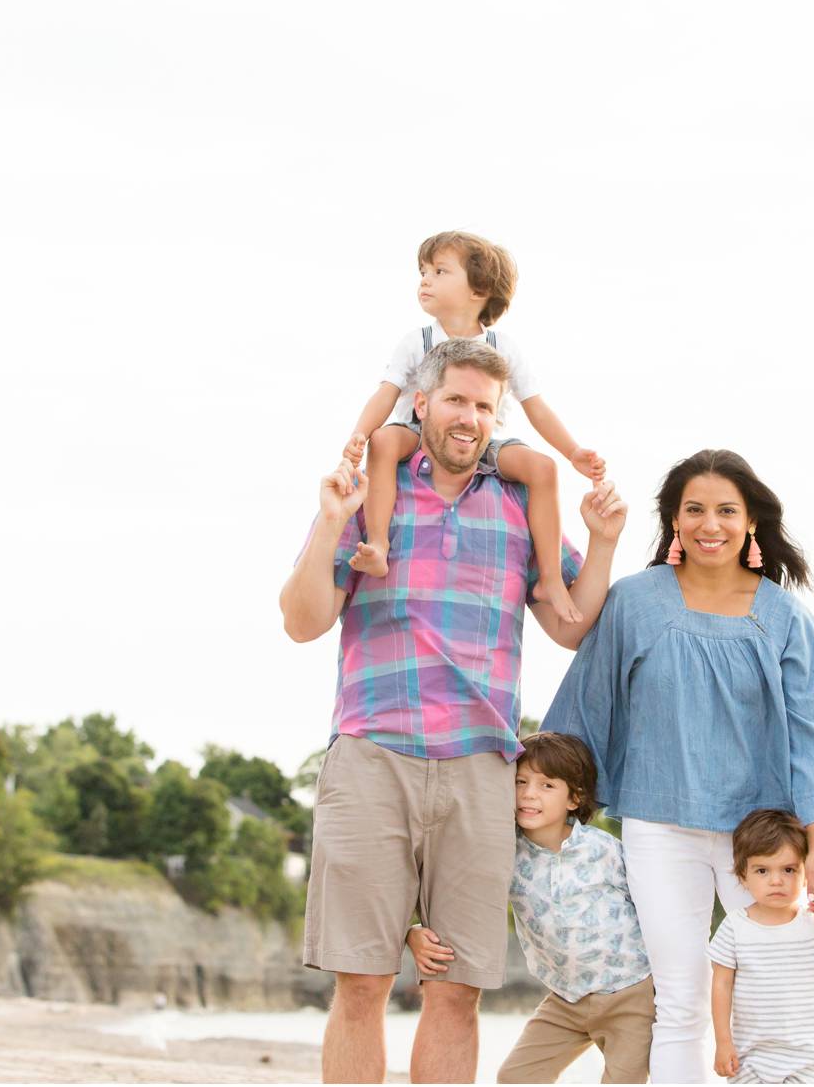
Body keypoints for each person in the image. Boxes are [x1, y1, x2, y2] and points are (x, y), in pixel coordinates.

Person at [280, 336, 628, 1085]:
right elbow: (303, 620)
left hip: (480, 769)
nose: (469, 417)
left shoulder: (518, 506)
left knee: (456, 988)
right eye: (456, 400)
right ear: (421, 403)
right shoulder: (371, 493)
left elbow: (571, 625)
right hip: (373, 755)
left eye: (484, 405)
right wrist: (325, 528)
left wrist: (601, 546)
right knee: (361, 979)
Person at [542, 449, 814, 1083]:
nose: (708, 523)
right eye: (694, 509)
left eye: (725, 510)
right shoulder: (635, 604)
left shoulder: (784, 617)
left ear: (750, 525)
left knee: (775, 992)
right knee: (681, 1000)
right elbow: (587, 704)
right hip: (660, 827)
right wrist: (542, 803)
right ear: (672, 521)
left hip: (765, 840)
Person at [342, 230, 606, 626]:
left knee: (542, 468)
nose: (425, 280)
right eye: (423, 272)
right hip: (417, 431)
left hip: (479, 441)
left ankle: (550, 578)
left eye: (439, 271)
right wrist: (359, 435)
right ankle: (379, 542)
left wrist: (573, 453)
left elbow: (536, 406)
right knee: (384, 440)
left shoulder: (502, 345)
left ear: (478, 289)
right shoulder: (418, 340)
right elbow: (387, 392)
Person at [408, 731, 655, 1083]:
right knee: (515, 1077)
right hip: (565, 1000)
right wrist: (415, 929)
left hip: (630, 995)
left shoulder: (604, 850)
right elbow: (457, 893)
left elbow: (651, 910)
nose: (528, 794)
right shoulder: (505, 853)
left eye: (546, 785)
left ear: (575, 798)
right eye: (520, 781)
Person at [709, 810, 814, 1084]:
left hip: (811, 1061)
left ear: (805, 872)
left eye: (788, 869)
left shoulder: (813, 923)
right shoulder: (735, 926)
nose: (776, 880)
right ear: (743, 876)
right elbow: (721, 986)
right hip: (751, 1060)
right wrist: (723, 1043)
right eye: (762, 870)